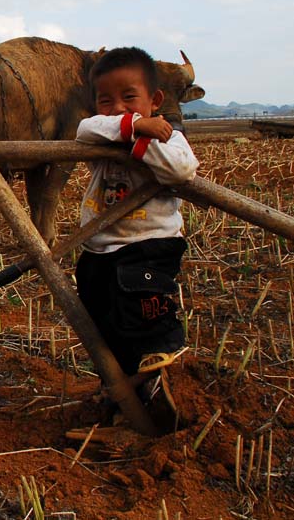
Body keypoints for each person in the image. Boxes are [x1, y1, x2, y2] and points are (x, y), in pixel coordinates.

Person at [74, 47, 199, 409]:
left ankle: (161, 384)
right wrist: (131, 125)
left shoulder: (170, 139)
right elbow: (84, 129)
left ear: (156, 100)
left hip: (147, 248)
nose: (116, 108)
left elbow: (180, 170)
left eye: (129, 98)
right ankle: (124, 388)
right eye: (105, 100)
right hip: (97, 250)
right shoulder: (102, 130)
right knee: (103, 321)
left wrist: (142, 139)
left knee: (146, 320)